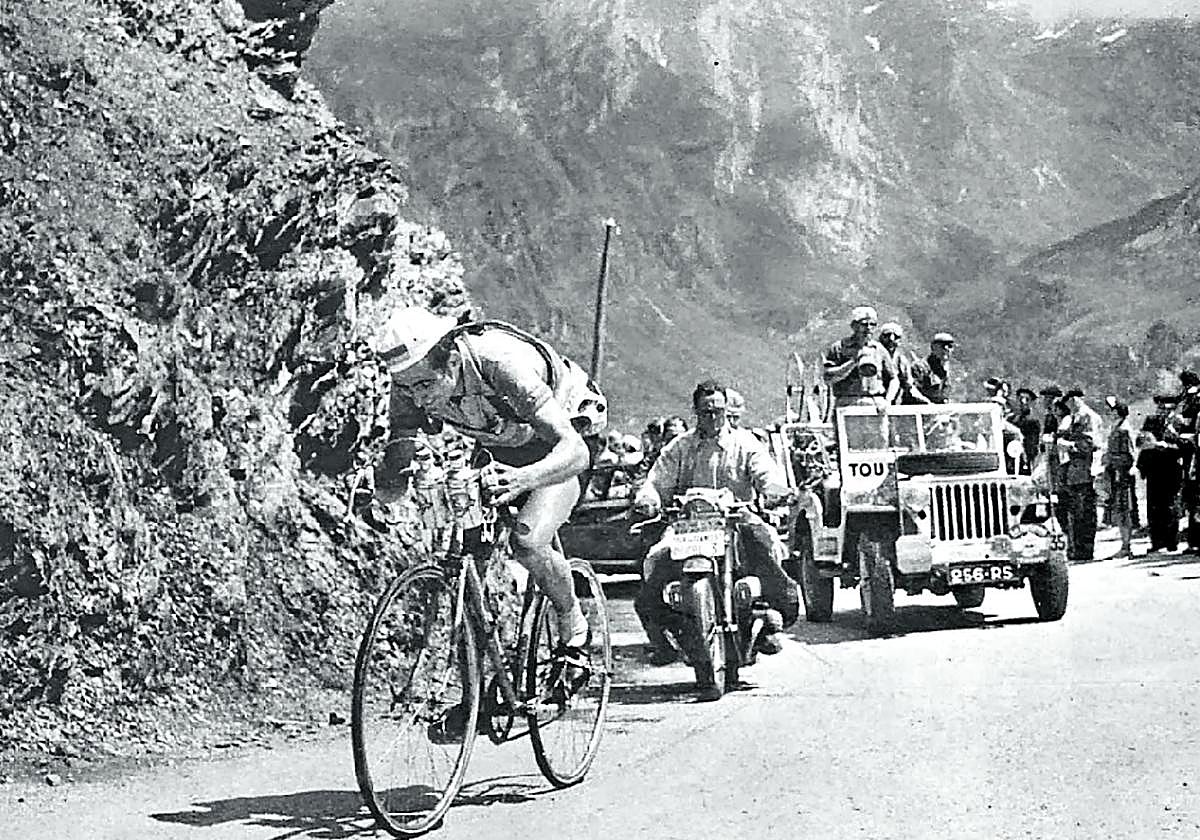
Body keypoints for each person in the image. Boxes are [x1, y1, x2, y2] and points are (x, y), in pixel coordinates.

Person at [373, 305, 607, 725]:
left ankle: (574, 626)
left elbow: (575, 451)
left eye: (426, 385)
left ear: (454, 358)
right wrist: (390, 482)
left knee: (527, 540)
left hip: (564, 438)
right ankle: (477, 695)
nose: (420, 399)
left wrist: (524, 480)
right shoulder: (409, 381)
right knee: (468, 563)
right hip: (501, 444)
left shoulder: (501, 365)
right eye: (409, 390)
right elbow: (397, 461)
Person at [631, 380, 799, 700]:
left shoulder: (745, 444)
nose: (713, 417)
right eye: (706, 411)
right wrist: (649, 498)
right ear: (696, 412)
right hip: (687, 526)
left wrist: (775, 490)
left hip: (735, 520)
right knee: (655, 561)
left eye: (718, 411)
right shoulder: (679, 447)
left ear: (726, 411)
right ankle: (661, 637)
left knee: (767, 546)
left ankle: (772, 617)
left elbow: (765, 474)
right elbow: (657, 479)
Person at [822, 306, 899, 411]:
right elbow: (828, 377)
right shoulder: (839, 347)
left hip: (875, 403)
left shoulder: (879, 349)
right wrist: (852, 363)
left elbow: (893, 378)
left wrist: (888, 401)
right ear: (854, 326)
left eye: (872, 324)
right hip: (847, 403)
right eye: (864, 324)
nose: (868, 328)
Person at [1060, 388, 1101, 563]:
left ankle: (1085, 550)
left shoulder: (1087, 417)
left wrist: (1069, 445)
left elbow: (1090, 443)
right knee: (1077, 513)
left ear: (1076, 399)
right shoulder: (1076, 417)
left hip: (1085, 471)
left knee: (1085, 513)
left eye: (1070, 402)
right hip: (1075, 472)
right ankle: (1079, 549)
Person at [1138, 395, 1184, 553]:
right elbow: (1142, 440)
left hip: (1171, 468)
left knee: (1170, 506)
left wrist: (1166, 445)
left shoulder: (1178, 423)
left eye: (1167, 408)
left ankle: (1171, 541)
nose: (1163, 411)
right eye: (1160, 408)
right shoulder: (1151, 421)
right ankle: (1156, 541)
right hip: (1153, 469)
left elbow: (1183, 446)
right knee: (1153, 507)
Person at [1102, 399, 1136, 557]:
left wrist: (1112, 460)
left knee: (1124, 510)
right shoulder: (1116, 428)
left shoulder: (1124, 430)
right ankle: (1124, 544)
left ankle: (1126, 545)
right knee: (1119, 511)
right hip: (1114, 473)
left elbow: (1129, 455)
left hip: (1122, 474)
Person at [878, 322, 930, 404]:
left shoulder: (901, 361)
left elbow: (908, 386)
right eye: (887, 336)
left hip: (891, 404)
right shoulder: (873, 356)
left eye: (896, 337)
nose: (891, 339)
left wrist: (925, 401)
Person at [910, 332, 956, 404]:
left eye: (950, 346)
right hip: (917, 408)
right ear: (933, 347)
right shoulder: (920, 366)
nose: (946, 349)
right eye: (942, 346)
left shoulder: (947, 370)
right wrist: (928, 403)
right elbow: (912, 391)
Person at [1013, 387, 1043, 473]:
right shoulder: (1016, 413)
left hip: (1030, 438)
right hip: (1017, 441)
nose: (1023, 401)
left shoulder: (1033, 414)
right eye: (1021, 398)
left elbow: (1036, 426)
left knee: (1031, 454)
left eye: (1026, 399)